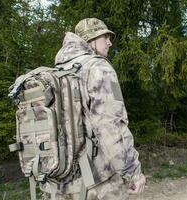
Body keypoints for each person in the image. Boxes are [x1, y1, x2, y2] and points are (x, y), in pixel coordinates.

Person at [50, 18, 146, 200]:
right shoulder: (98, 67)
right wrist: (133, 172)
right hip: (97, 184)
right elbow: (111, 127)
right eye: (105, 37)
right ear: (90, 40)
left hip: (58, 185)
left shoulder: (57, 71)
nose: (110, 42)